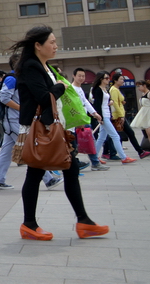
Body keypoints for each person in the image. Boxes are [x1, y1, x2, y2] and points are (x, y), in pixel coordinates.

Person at [14, 25, 109, 241]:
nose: (56, 46)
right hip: (40, 129)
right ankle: (29, 224)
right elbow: (43, 97)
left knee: (70, 167)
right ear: (38, 45)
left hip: (53, 127)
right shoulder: (31, 66)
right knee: (36, 172)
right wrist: (59, 87)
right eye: (52, 42)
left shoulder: (45, 66)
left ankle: (83, 221)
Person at [0, 54, 61, 190]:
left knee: (6, 150)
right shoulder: (12, 79)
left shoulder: (18, 78)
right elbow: (4, 98)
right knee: (30, 147)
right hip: (14, 120)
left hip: (14, 120)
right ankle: (49, 179)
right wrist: (22, 108)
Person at [70, 68, 107, 170]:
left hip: (83, 119)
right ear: (74, 76)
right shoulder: (71, 89)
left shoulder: (79, 89)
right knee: (80, 143)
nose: (81, 78)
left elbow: (85, 102)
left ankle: (94, 163)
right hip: (78, 120)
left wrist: (94, 113)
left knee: (88, 141)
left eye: (83, 76)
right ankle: (90, 163)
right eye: (79, 76)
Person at [91, 72, 132, 164]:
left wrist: (110, 103)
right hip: (103, 116)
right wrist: (99, 117)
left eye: (108, 78)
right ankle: (123, 157)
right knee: (115, 136)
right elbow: (97, 105)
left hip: (106, 114)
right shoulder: (97, 90)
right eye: (106, 78)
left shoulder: (105, 89)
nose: (108, 79)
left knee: (101, 137)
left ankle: (95, 157)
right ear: (101, 79)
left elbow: (104, 103)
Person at [110, 71, 142, 158]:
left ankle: (115, 153)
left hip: (120, 115)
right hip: (118, 116)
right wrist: (121, 116)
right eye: (121, 79)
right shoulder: (114, 90)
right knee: (128, 134)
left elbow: (118, 101)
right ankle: (139, 152)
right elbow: (115, 103)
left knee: (120, 135)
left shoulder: (117, 89)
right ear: (115, 80)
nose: (123, 81)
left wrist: (122, 101)